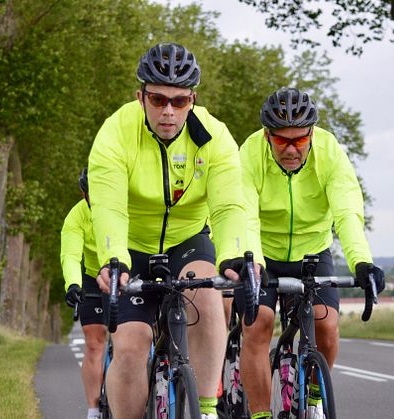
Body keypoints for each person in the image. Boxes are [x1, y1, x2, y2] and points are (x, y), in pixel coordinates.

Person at [87, 42, 260, 419]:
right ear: (141, 96)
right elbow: (108, 206)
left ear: (192, 100)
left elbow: (231, 205)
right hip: (132, 244)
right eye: (158, 99)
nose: (168, 111)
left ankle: (208, 410)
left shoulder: (214, 136)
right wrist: (113, 257)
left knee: (207, 295)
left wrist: (234, 252)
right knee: (131, 345)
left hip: (188, 239)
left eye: (179, 102)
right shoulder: (116, 133)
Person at [234, 87, 385, 419]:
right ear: (267, 135)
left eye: (300, 141)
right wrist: (252, 265)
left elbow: (347, 210)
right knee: (259, 324)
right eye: (281, 141)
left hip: (312, 253)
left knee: (326, 326)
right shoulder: (250, 153)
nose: (291, 149)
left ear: (312, 134)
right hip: (264, 253)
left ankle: (315, 396)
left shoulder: (329, 152)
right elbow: (242, 214)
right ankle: (259, 414)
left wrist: (362, 261)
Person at [61, 167, 106, 419]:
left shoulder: (129, 207)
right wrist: (73, 284)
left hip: (128, 273)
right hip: (92, 277)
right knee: (94, 343)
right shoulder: (76, 217)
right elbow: (70, 254)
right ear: (84, 194)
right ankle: (93, 410)